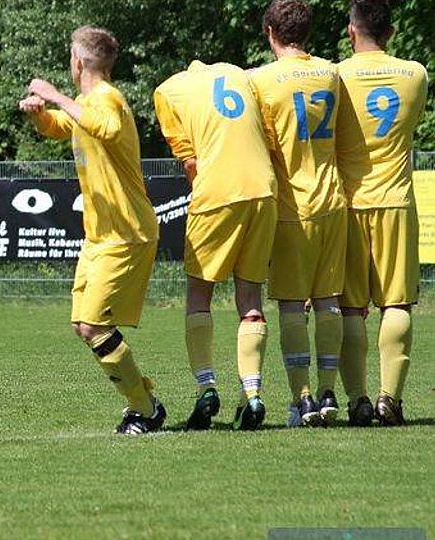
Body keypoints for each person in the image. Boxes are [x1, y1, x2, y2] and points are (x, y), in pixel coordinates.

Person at [20, 25, 165, 435]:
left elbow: (107, 128)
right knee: (82, 325)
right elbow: (59, 126)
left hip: (126, 232)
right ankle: (144, 403)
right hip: (100, 236)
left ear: (79, 62)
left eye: (71, 57)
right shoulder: (85, 103)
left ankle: (145, 410)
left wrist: (53, 94)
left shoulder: (108, 98)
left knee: (93, 326)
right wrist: (39, 115)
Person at [153, 59, 278, 431]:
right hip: (263, 190)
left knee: (199, 294)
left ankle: (206, 387)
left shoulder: (168, 90)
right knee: (250, 299)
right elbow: (269, 137)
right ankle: (252, 394)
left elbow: (190, 162)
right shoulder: (241, 76)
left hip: (216, 193)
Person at [249, 0, 348, 427]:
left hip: (293, 206)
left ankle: (302, 398)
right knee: (328, 302)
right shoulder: (331, 72)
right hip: (333, 201)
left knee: (292, 306)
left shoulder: (259, 80)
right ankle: (328, 391)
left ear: (270, 32)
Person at [335, 0, 429, 426]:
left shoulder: (335, 75)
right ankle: (390, 397)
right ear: (390, 32)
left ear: (351, 32)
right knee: (397, 302)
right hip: (396, 201)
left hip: (349, 203)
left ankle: (357, 399)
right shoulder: (416, 74)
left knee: (351, 307)